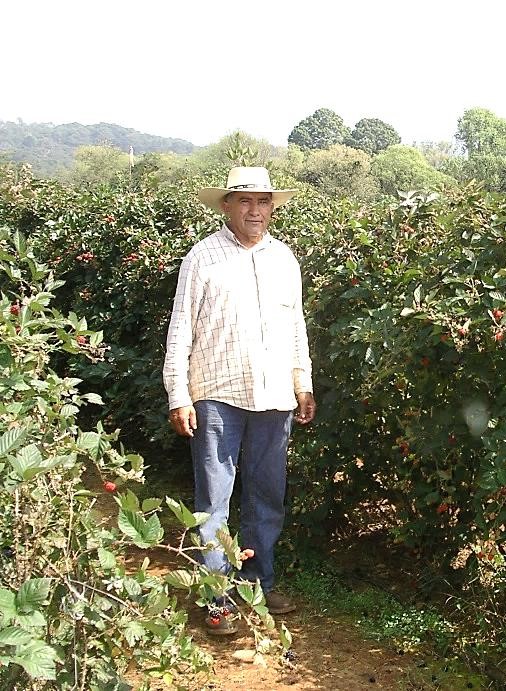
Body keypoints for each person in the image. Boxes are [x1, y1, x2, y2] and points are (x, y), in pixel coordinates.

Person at [163, 166, 316, 635]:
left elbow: (296, 328)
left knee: (268, 495)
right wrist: (178, 394)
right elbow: (181, 327)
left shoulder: (284, 259)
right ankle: (216, 596)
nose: (255, 210)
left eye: (263, 202)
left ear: (272, 207)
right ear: (226, 207)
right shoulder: (202, 258)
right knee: (215, 500)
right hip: (216, 396)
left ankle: (259, 581)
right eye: (245, 202)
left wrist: (302, 383)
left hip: (273, 397)